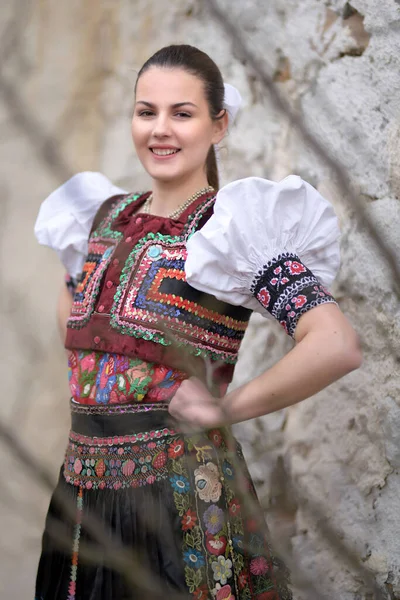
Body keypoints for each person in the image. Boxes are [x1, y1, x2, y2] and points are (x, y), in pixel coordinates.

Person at [34, 44, 362, 600]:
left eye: (181, 114)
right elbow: (76, 320)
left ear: (219, 124)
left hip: (181, 503)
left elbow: (335, 343)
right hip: (83, 499)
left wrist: (226, 407)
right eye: (146, 112)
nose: (160, 130)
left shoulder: (232, 230)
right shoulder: (102, 217)